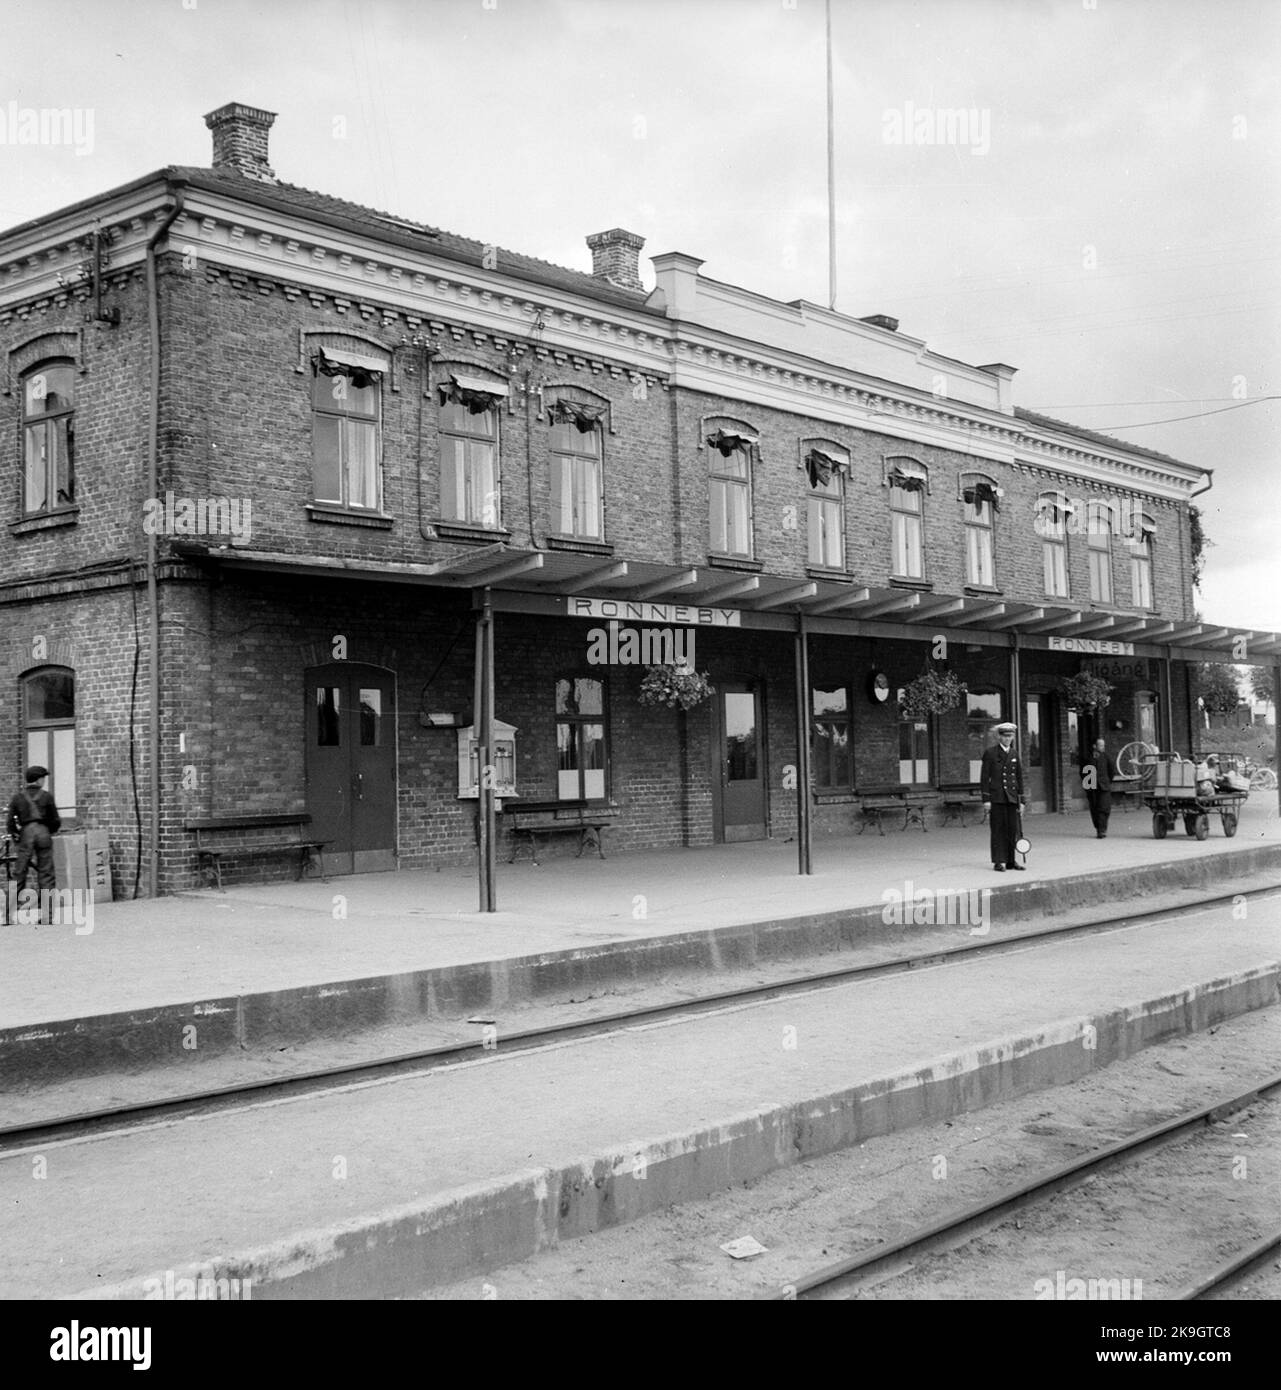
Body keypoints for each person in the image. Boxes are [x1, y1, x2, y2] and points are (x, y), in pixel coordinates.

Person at [7, 765, 61, 915]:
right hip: (43, 834)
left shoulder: (18, 798)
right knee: (46, 874)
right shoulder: (47, 796)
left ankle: (8, 914)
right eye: (43, 778)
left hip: (26, 835)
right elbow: (55, 821)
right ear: (38, 780)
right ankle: (47, 915)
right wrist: (48, 831)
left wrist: (17, 835)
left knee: (19, 873)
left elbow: (10, 823)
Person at [980, 722, 1025, 872]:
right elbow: (984, 778)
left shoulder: (1014, 753)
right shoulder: (990, 753)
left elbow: (1019, 778)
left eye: (1010, 736)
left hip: (1011, 798)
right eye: (1005, 736)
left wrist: (1021, 800)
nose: (1008, 739)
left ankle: (1011, 861)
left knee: (1012, 829)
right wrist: (986, 800)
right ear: (999, 737)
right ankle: (999, 861)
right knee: (998, 829)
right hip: (997, 797)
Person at [1082, 737, 1119, 838]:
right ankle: (1098, 827)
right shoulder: (1088, 757)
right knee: (1094, 808)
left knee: (1104, 808)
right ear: (1095, 746)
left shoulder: (1107, 757)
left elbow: (1112, 770)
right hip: (1092, 787)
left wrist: (1107, 782)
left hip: (1104, 787)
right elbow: (1083, 772)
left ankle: (1102, 830)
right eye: (1100, 745)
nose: (1102, 747)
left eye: (1103, 745)